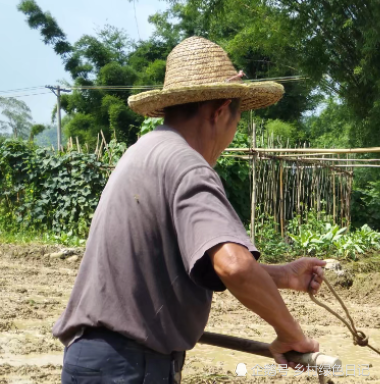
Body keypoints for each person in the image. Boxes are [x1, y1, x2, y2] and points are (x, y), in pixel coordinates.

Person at [53, 36, 325, 384]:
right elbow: (235, 265)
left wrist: (286, 276)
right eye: (237, 119)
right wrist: (291, 334)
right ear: (221, 111)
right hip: (130, 367)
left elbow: (194, 262)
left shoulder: (144, 153)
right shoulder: (187, 165)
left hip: (91, 361)